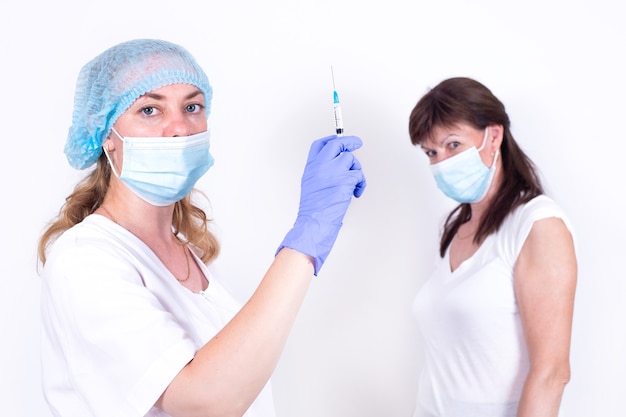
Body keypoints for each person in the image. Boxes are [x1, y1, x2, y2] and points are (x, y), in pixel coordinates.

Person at [37, 39, 366, 417]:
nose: (179, 128)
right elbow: (205, 401)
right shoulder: (85, 260)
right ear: (107, 135)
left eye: (192, 107)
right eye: (149, 110)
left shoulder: (187, 255)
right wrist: (308, 235)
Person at [407, 77, 577, 417]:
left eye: (453, 145)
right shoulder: (452, 229)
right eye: (431, 152)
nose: (441, 163)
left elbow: (551, 374)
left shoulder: (537, 225)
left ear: (493, 136)